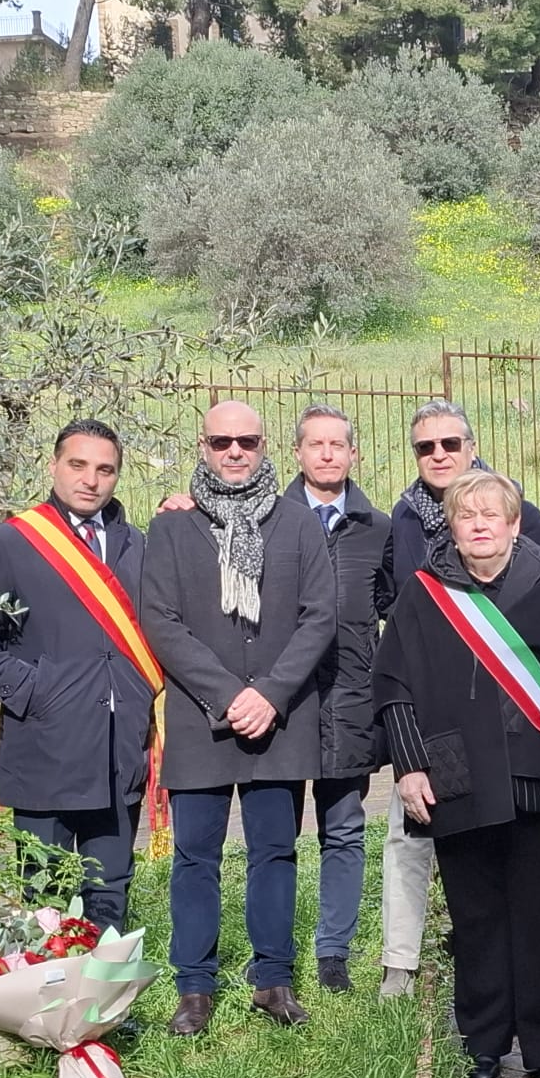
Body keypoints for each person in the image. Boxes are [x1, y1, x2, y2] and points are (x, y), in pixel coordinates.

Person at [375, 468, 540, 1078]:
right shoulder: (423, 592)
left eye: (490, 515)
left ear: (513, 523)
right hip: (455, 776)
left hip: (539, 778)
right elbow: (393, 685)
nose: (478, 525)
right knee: (475, 918)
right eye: (465, 515)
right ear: (451, 525)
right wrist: (409, 766)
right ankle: (484, 1040)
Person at [141, 401, 335, 1034]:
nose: (234, 451)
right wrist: (227, 694)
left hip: (278, 721)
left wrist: (271, 694)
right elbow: (161, 622)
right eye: (222, 440)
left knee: (275, 853)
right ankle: (194, 989)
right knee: (194, 857)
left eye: (246, 441)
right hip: (202, 720)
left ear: (263, 445)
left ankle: (273, 980)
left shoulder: (298, 523)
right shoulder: (171, 528)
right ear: (203, 444)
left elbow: (319, 616)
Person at [372, 401, 540, 999]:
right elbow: (394, 660)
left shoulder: (534, 547)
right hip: (445, 753)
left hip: (528, 759)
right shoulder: (401, 522)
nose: (439, 455)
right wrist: (407, 761)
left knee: (534, 906)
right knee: (468, 904)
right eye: (426, 447)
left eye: (451, 444)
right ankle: (461, 1019)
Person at [0, 418, 155, 929]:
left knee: (110, 894)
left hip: (118, 754)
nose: (91, 480)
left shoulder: (139, 545)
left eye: (105, 470)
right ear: (54, 466)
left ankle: (106, 1007)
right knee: (44, 900)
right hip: (46, 750)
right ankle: (44, 1008)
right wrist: (36, 691)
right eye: (78, 465)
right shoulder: (11, 542)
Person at [288, 405, 390, 994]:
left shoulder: (376, 528)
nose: (327, 454)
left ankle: (333, 953)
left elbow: (393, 609)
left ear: (353, 455)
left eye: (338, 445)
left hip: (351, 700)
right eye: (315, 444)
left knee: (345, 829)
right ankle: (272, 953)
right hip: (284, 704)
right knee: (275, 835)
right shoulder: (268, 521)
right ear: (298, 453)